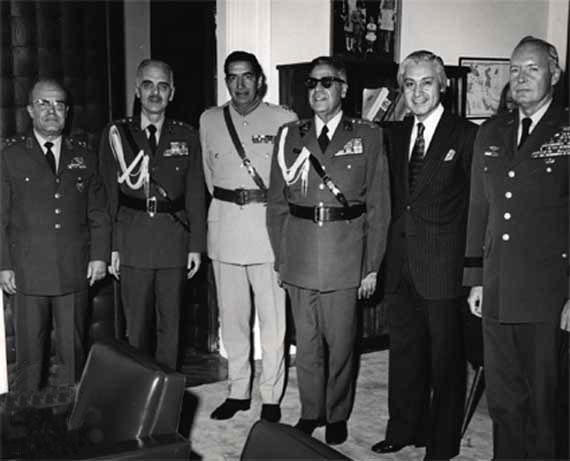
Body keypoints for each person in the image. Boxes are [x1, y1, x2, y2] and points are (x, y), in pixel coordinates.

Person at [267, 56, 390, 445]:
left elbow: (379, 208)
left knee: (341, 344)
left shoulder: (368, 135)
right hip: (300, 254)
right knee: (305, 344)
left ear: (343, 89)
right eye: (311, 83)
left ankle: (337, 413)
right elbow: (276, 205)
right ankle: (311, 411)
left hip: (344, 256)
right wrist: (281, 258)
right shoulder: (290, 135)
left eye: (326, 82)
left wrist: (371, 266)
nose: (317, 90)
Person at [464, 36, 569, 459]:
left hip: (548, 292)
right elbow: (479, 209)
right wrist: (476, 279)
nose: (521, 78)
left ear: (555, 75)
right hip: (497, 288)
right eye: (515, 70)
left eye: (533, 69)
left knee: (544, 401)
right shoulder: (491, 131)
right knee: (504, 398)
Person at [370, 50, 477, 459]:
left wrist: (473, 272)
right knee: (404, 355)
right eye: (409, 84)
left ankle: (442, 442)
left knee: (446, 362)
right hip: (401, 265)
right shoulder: (395, 135)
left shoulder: (465, 135)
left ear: (442, 85)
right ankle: (403, 429)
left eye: (426, 83)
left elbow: (477, 209)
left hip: (444, 267)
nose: (417, 93)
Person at [199, 51, 297, 422]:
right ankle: (238, 390)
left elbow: (291, 178)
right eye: (232, 77)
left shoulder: (283, 118)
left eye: (247, 76)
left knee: (273, 322)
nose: (240, 85)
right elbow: (210, 176)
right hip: (225, 228)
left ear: (260, 80)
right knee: (233, 319)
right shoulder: (209, 119)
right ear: (226, 80)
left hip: (267, 232)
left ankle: (271, 396)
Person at [0, 79, 110, 391]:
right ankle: (27, 416)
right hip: (27, 271)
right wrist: (4, 264)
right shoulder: (10, 156)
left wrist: (99, 256)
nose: (52, 110)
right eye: (43, 103)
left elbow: (98, 212)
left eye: (59, 104)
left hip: (73, 269)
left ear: (67, 111)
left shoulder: (84, 155)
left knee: (72, 354)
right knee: (30, 359)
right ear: (30, 110)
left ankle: (68, 416)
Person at [99, 59, 206, 369]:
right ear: (137, 90)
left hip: (173, 240)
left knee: (171, 326)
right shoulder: (117, 133)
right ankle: (137, 390)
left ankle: (166, 390)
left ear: (172, 92)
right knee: (136, 330)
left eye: (162, 86)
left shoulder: (187, 135)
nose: (155, 92)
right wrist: (111, 246)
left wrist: (196, 246)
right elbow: (107, 195)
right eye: (148, 85)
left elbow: (195, 194)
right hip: (132, 241)